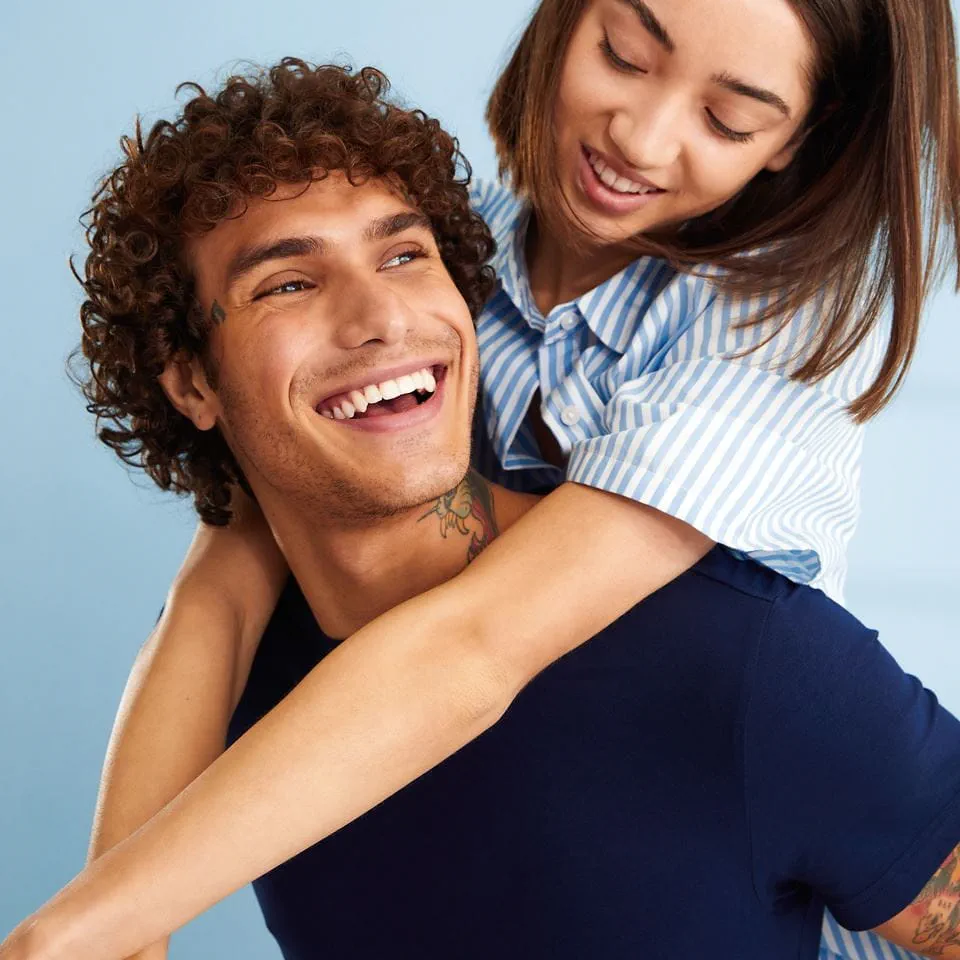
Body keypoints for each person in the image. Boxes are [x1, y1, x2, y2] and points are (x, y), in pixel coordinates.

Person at [10, 0, 960, 952]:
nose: (642, 134)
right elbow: (221, 574)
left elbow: (477, 646)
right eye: (624, 55)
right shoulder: (472, 254)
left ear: (802, 140)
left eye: (728, 119)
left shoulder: (763, 363)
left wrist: (73, 930)